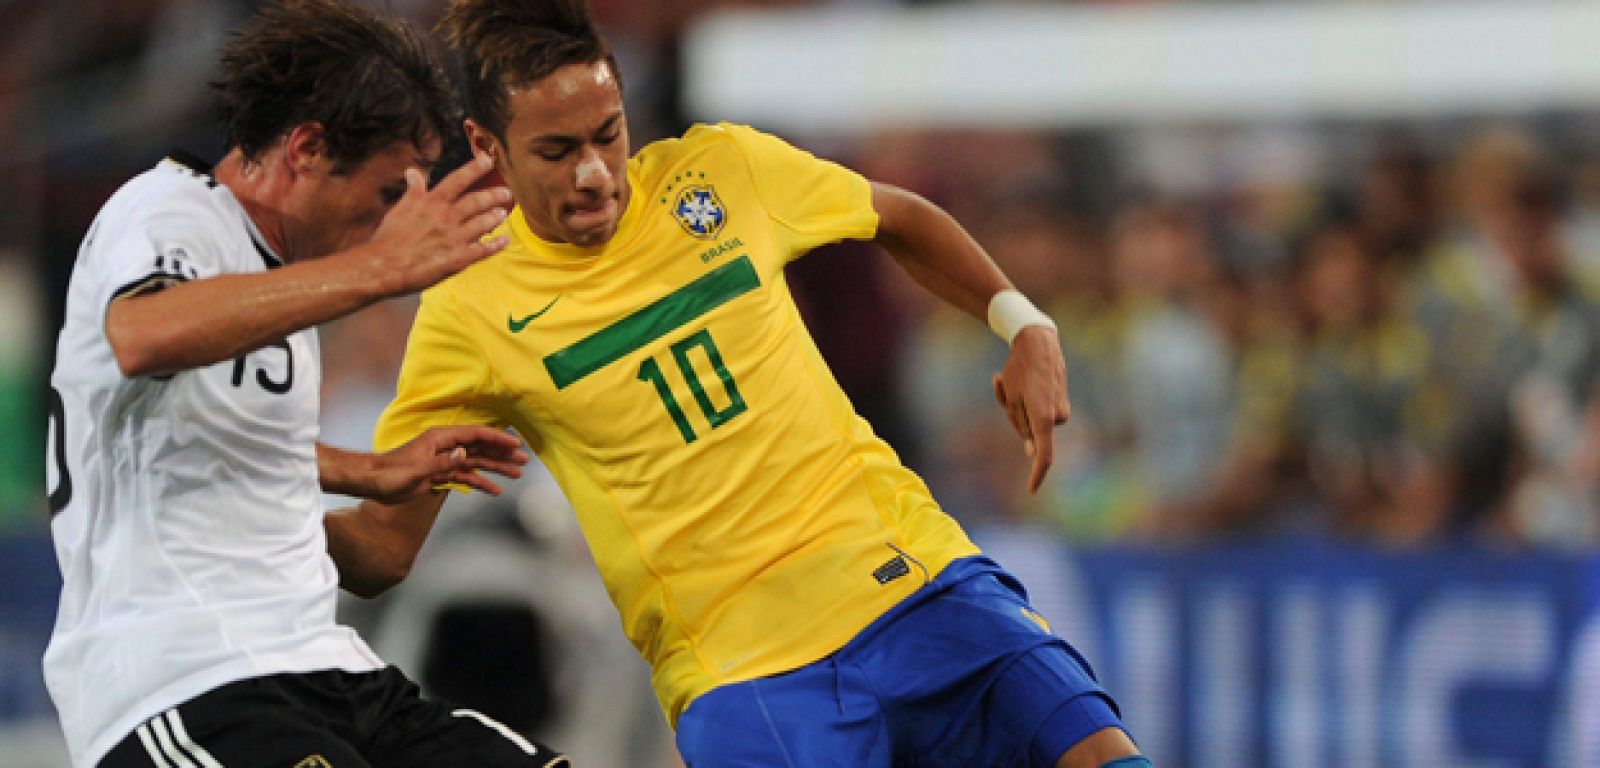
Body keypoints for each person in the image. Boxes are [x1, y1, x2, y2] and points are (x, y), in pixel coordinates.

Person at [373, 1, 1148, 766]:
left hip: (915, 580)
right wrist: (273, 503)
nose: (594, 174)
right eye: (555, 150)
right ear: (486, 145)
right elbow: (386, 550)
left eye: (608, 134)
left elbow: (898, 217)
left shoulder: (721, 173)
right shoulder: (467, 306)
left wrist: (1024, 323)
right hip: (746, 670)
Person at [42, 2, 570, 766]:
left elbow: (371, 561)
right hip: (186, 680)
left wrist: (382, 471)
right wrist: (379, 271)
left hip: (329, 673)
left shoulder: (283, 293)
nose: (394, 226)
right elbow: (141, 335)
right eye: (390, 193)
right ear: (308, 148)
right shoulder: (167, 212)